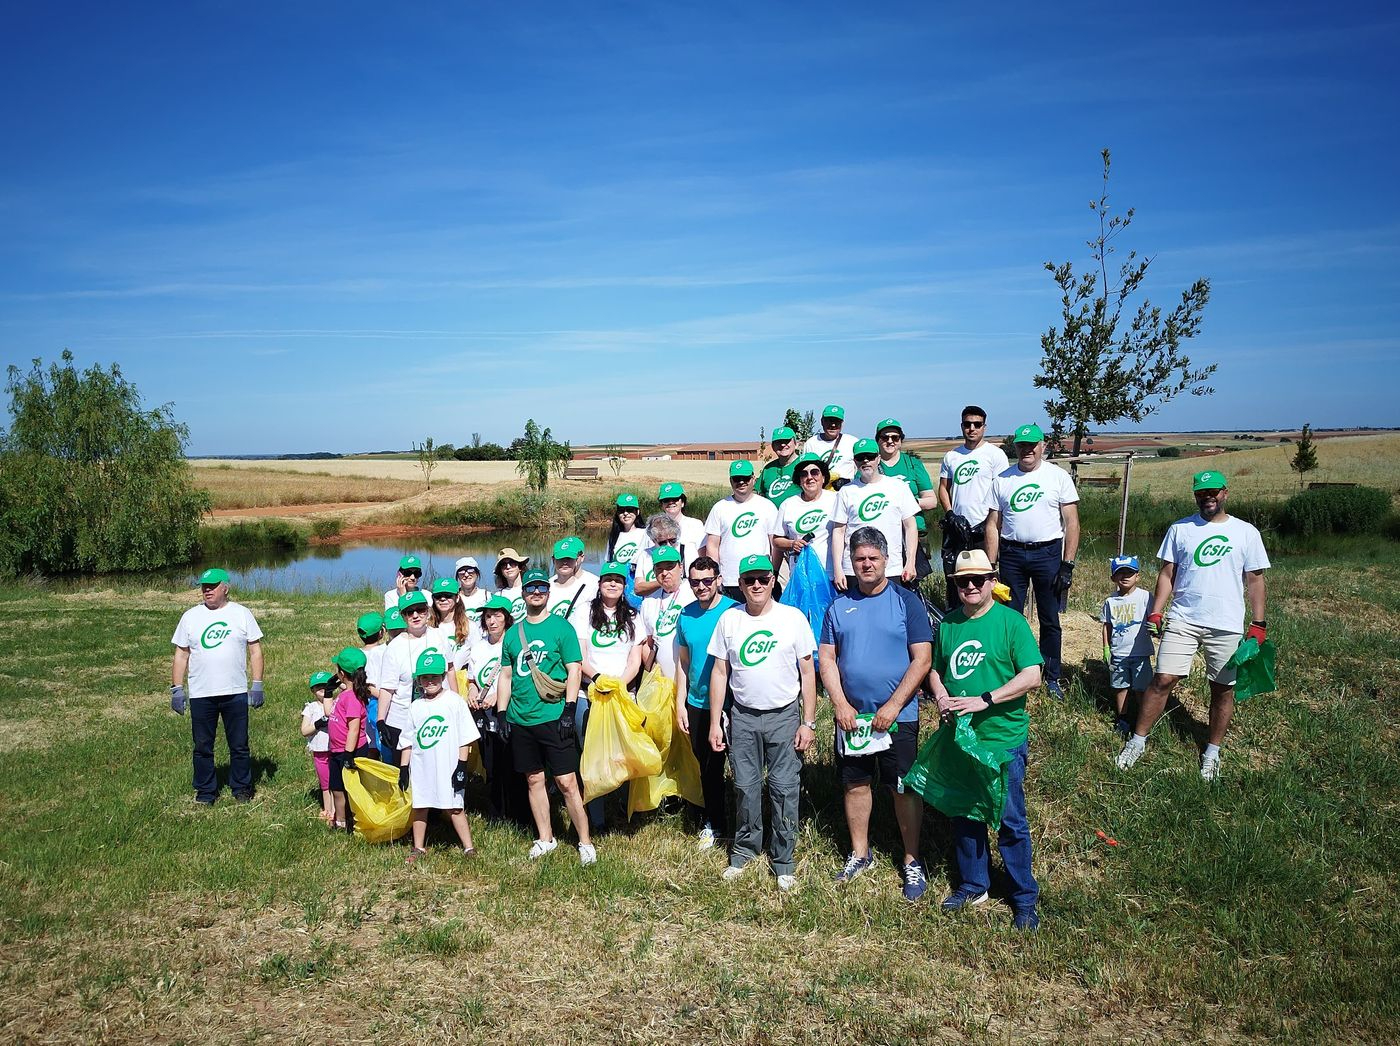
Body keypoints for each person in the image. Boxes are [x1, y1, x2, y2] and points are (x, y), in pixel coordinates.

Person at [1115, 470, 1270, 781]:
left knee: (1222, 688)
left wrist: (1258, 623)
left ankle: (1212, 751)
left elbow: (1255, 580)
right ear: (1195, 495)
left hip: (1226, 623)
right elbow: (1167, 573)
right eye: (1201, 492)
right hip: (1183, 618)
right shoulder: (1180, 529)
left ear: (1225, 493)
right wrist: (1156, 612)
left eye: (1213, 491)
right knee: (1162, 679)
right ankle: (1137, 741)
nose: (1208, 497)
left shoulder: (1246, 532)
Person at [928, 550, 1045, 930]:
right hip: (960, 739)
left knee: (1010, 820)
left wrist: (986, 699)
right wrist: (941, 696)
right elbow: (935, 670)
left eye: (978, 579)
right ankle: (974, 884)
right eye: (963, 580)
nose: (971, 586)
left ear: (992, 581)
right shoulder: (948, 624)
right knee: (965, 812)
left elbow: (1032, 675)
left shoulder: (1011, 622)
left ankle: (1023, 897)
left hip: (1001, 738)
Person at [818, 528, 934, 900]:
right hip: (853, 719)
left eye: (873, 558)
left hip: (898, 716)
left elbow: (922, 659)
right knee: (855, 784)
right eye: (859, 559)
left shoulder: (907, 602)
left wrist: (894, 705)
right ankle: (860, 853)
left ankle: (912, 859)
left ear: (886, 559)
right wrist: (839, 703)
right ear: (851, 562)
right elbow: (826, 658)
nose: (866, 564)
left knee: (902, 788)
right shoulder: (838, 606)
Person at [707, 554, 817, 892]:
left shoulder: (792, 618)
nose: (757, 585)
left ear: (772, 581)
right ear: (740, 585)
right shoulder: (730, 620)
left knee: (784, 788)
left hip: (784, 716)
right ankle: (744, 850)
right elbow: (720, 672)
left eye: (763, 579)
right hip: (743, 716)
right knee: (745, 786)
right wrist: (715, 722)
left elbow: (808, 672)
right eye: (749, 580)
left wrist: (809, 722)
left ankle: (783, 860)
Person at [492, 568, 594, 864]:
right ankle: (545, 838)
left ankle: (585, 842)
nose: (536, 592)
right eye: (530, 588)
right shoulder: (513, 634)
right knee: (534, 779)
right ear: (523, 594)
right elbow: (506, 675)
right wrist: (502, 713)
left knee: (567, 782)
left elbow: (574, 669)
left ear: (548, 593)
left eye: (541, 588)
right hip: (521, 719)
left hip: (553, 716)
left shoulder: (562, 628)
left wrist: (570, 708)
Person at [985, 423, 1080, 700]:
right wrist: (991, 566)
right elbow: (992, 525)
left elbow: (1072, 523)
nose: (1027, 450)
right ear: (1015, 447)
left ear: (1043, 446)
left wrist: (1067, 564)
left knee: (1049, 617)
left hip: (1047, 553)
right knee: (1010, 617)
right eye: (1022, 445)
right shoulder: (1003, 479)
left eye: (1032, 445)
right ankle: (1012, 674)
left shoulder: (1058, 477)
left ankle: (1051, 676)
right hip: (1012, 554)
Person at [170, 567, 264, 805]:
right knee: (202, 746)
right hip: (201, 693)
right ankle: (205, 792)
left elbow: (255, 651)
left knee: (239, 745)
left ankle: (241, 788)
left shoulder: (242, 614)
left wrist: (257, 684)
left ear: (226, 588)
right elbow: (181, 654)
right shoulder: (190, 617)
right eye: (204, 586)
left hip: (235, 692)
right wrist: (176, 689)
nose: (207, 590)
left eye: (212, 586)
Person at [675, 555, 737, 850]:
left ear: (718, 580)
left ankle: (747, 823)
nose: (701, 587)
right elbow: (683, 663)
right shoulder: (685, 615)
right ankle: (715, 822)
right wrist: (680, 703)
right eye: (695, 582)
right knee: (708, 768)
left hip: (733, 703)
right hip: (698, 703)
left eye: (707, 581)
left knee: (741, 767)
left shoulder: (734, 611)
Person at [402, 650, 480, 863]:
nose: (430, 681)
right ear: (419, 680)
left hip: (449, 765)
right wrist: (404, 768)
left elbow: (465, 737)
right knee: (420, 805)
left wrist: (462, 766)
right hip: (422, 766)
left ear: (443, 676)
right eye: (425, 677)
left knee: (455, 806)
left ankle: (468, 847)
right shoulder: (416, 707)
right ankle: (418, 847)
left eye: (434, 677)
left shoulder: (454, 702)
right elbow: (407, 740)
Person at [463, 595, 526, 824]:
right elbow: (472, 679)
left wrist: (497, 697)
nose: (492, 621)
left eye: (497, 616)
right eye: (488, 616)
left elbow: (518, 678)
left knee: (511, 763)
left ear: (507, 619)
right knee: (490, 764)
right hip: (484, 713)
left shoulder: (514, 643)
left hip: (509, 712)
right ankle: (496, 812)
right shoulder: (479, 647)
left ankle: (517, 813)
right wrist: (472, 692)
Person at [831, 439, 919, 592]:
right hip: (854, 570)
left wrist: (910, 562)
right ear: (855, 461)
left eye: (870, 457)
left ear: (878, 458)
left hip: (891, 568)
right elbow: (838, 531)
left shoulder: (898, 487)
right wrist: (838, 569)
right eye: (860, 458)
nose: (865, 461)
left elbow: (910, 526)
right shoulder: (846, 491)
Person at [375, 591, 452, 763]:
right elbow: (387, 688)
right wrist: (380, 720)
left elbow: (451, 670)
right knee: (404, 770)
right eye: (410, 612)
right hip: (402, 719)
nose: (415, 615)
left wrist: (456, 702)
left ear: (428, 611)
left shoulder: (439, 636)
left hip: (436, 717)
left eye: (420, 610)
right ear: (403, 616)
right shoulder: (395, 647)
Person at [937, 404, 1009, 576]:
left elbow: (1003, 492)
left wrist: (990, 522)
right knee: (956, 578)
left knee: (984, 577)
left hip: (985, 528)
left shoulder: (995, 455)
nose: (972, 428)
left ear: (984, 427)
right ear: (962, 426)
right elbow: (943, 488)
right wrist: (950, 514)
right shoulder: (952, 456)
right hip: (957, 529)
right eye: (967, 424)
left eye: (977, 424)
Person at [704, 460, 779, 602]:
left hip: (759, 579)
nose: (741, 482)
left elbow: (774, 544)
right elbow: (712, 546)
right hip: (729, 580)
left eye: (745, 478)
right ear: (730, 480)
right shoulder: (719, 508)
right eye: (737, 479)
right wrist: (715, 577)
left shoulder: (767, 506)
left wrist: (773, 572)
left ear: (753, 479)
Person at [875, 417, 938, 579]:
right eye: (885, 437)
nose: (890, 441)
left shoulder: (912, 464)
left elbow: (931, 500)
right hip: (881, 535)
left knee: (912, 581)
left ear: (901, 440)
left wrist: (907, 503)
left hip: (913, 534)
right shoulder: (870, 464)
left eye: (895, 437)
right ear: (878, 440)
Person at [1101, 555, 1154, 739]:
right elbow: (1107, 626)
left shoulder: (1145, 597)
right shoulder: (1110, 601)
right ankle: (1123, 718)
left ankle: (1142, 719)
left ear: (1137, 576)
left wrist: (1157, 627)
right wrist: (1106, 648)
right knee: (1120, 686)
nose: (1125, 576)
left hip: (1141, 652)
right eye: (1120, 573)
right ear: (1113, 578)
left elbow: (1154, 618)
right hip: (1118, 653)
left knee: (1141, 688)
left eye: (1129, 573)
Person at [326, 646, 377, 832]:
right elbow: (329, 713)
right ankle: (340, 822)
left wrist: (348, 754)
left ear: (341, 673)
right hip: (337, 750)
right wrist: (328, 693)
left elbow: (354, 729)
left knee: (352, 789)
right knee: (337, 788)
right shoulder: (345, 694)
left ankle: (355, 821)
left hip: (349, 751)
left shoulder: (353, 697)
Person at [576, 561, 645, 688]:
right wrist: (597, 678)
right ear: (599, 584)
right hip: (589, 688)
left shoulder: (633, 616)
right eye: (608, 580)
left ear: (624, 586)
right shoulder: (584, 610)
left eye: (618, 581)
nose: (613, 584)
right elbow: (580, 654)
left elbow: (634, 661)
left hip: (622, 689)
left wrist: (618, 685)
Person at [771, 453, 838, 577]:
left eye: (814, 472)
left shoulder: (836, 499)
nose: (809, 477)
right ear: (799, 480)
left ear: (823, 477)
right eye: (803, 474)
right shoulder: (788, 504)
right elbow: (776, 540)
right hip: (800, 575)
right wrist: (792, 544)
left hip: (830, 574)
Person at [639, 546, 695, 686]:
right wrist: (655, 676)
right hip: (662, 684)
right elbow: (647, 644)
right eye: (659, 569)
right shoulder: (648, 601)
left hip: (691, 682)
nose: (664, 573)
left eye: (670, 567)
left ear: (681, 567)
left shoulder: (694, 593)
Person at [300, 671, 335, 824]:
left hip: (335, 749)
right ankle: (328, 810)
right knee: (325, 783)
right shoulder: (311, 708)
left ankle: (337, 811)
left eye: (325, 685)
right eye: (318, 686)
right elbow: (304, 730)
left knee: (336, 782)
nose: (322, 688)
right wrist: (319, 723)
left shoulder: (336, 703)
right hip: (320, 752)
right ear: (312, 690)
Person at [355, 611, 387, 759]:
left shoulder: (357, 654)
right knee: (384, 744)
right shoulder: (384, 651)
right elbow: (370, 686)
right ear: (381, 632)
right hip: (379, 702)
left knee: (370, 745)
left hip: (363, 704)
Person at [802, 404, 858, 487]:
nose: (833, 425)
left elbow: (860, 471)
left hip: (846, 491)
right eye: (829, 421)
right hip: (820, 492)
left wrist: (848, 481)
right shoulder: (811, 443)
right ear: (822, 421)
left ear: (842, 423)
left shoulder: (852, 442)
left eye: (837, 421)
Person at [547, 536, 599, 624]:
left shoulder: (594, 583)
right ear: (553, 560)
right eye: (560, 558)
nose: (565, 562)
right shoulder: (547, 585)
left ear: (581, 558)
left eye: (569, 558)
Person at [632, 513, 684, 598]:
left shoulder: (685, 550)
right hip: (653, 602)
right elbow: (638, 589)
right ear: (653, 540)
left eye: (672, 541)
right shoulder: (645, 555)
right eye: (663, 542)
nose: (669, 545)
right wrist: (664, 581)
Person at [429, 577, 471, 669]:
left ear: (457, 597)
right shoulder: (428, 627)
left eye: (448, 595)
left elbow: (477, 657)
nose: (443, 599)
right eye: (438, 596)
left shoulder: (470, 626)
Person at [757, 426, 802, 508]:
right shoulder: (768, 469)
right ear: (773, 447)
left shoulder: (804, 464)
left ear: (796, 444)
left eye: (787, 441)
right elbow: (756, 492)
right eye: (778, 442)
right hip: (772, 515)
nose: (782, 445)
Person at [606, 494, 647, 569]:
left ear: (637, 512)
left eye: (630, 509)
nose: (625, 513)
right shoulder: (613, 537)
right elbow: (608, 563)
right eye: (621, 510)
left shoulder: (646, 534)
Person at [494, 547, 530, 621]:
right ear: (501, 571)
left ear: (520, 567)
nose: (508, 567)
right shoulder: (498, 596)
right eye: (503, 565)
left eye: (512, 563)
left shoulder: (531, 588)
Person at [454, 557, 490, 622]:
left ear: (477, 573)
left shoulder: (487, 596)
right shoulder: (452, 597)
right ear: (458, 576)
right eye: (462, 571)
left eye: (470, 570)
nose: (466, 574)